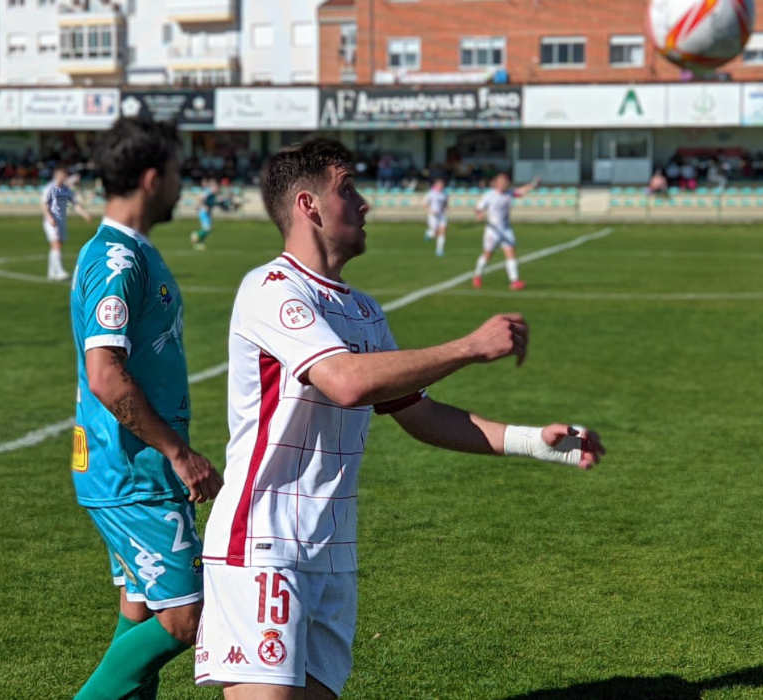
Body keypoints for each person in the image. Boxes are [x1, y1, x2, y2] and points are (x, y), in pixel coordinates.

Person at [193, 138, 605, 698]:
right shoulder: (270, 289)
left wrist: (537, 441)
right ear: (309, 206)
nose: (365, 204)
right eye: (349, 189)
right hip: (262, 543)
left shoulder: (363, 311)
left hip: (332, 551)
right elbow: (345, 382)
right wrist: (468, 347)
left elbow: (420, 415)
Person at [68, 117, 224, 700]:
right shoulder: (116, 260)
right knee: (184, 618)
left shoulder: (127, 252)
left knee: (139, 611)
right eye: (179, 173)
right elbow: (106, 375)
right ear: (154, 178)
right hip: (134, 474)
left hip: (127, 469)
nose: (184, 185)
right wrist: (179, 453)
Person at [473, 173, 539, 291]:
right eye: (502, 182)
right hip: (492, 231)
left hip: (506, 229)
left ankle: (514, 281)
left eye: (506, 182)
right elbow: (478, 208)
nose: (504, 184)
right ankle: (477, 275)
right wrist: (479, 214)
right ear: (497, 183)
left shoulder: (510, 193)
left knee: (511, 253)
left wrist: (533, 185)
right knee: (488, 255)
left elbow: (521, 191)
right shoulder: (489, 195)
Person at [41, 165, 91, 281]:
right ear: (57, 175)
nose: (64, 177)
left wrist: (84, 214)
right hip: (52, 220)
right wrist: (49, 217)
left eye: (65, 175)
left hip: (61, 221)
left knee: (57, 245)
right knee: (56, 244)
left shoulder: (66, 190)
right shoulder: (50, 188)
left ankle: (51, 272)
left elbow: (75, 204)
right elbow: (43, 204)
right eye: (63, 175)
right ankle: (59, 271)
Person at [191, 178, 224, 251]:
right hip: (203, 212)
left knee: (208, 229)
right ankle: (196, 236)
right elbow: (200, 198)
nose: (217, 188)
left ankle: (200, 242)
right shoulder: (209, 192)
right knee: (207, 228)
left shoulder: (213, 193)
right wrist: (202, 206)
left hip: (208, 213)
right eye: (215, 186)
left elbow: (213, 202)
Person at [423, 178, 448, 256]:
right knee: (435, 233)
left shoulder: (444, 194)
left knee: (442, 232)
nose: (441, 187)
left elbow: (445, 203)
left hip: (442, 215)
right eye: (439, 185)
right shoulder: (431, 193)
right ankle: (429, 233)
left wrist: (445, 208)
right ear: (435, 185)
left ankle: (439, 250)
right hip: (433, 216)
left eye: (442, 185)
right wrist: (430, 210)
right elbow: (424, 203)